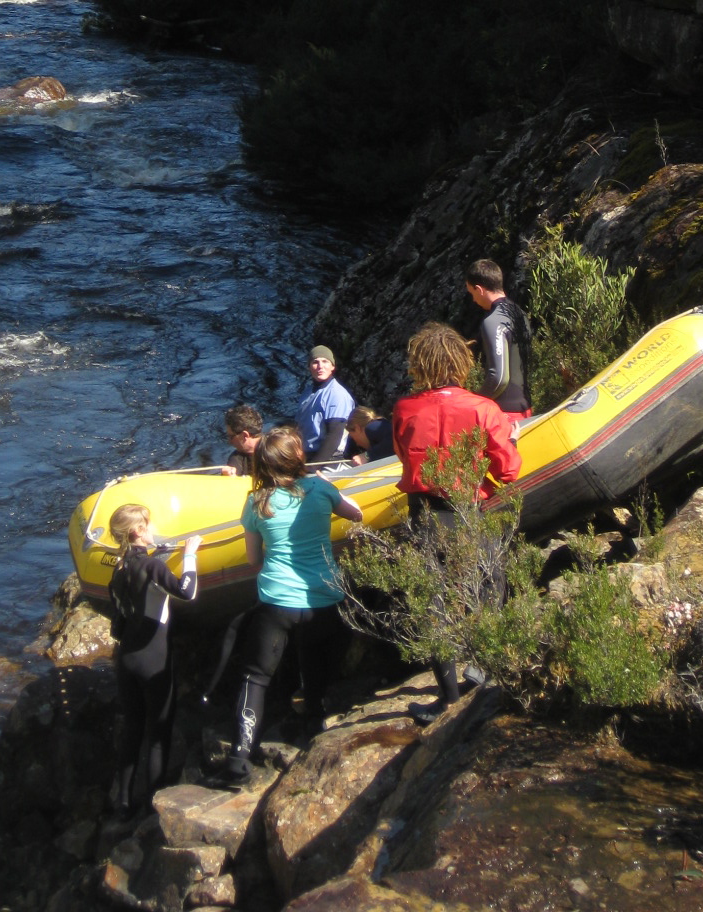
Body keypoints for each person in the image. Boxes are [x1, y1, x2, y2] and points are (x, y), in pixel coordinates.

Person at [215, 427, 362, 786]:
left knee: (255, 676)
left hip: (277, 601)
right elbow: (356, 514)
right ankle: (313, 719)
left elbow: (253, 559)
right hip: (324, 598)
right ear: (297, 458)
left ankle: (240, 756)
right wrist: (327, 484)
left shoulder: (257, 501)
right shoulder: (321, 489)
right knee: (314, 660)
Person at [391, 322, 522, 723]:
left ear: (420, 365)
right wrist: (510, 443)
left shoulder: (404, 409)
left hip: (425, 514)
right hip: (468, 510)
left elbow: (403, 455)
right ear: (462, 362)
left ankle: (447, 697)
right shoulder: (483, 409)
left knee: (432, 600)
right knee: (490, 582)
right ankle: (482, 670)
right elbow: (508, 470)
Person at [107, 503, 200, 818]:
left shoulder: (119, 569)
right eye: (148, 526)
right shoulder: (151, 567)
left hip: (126, 659)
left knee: (133, 729)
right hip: (153, 660)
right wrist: (189, 555)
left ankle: (122, 803)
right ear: (138, 531)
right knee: (159, 732)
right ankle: (153, 806)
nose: (153, 530)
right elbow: (187, 591)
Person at [464, 259, 534, 417]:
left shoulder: (493, 321)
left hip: (505, 413)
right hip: (525, 408)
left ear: (479, 289)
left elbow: (499, 378)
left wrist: (476, 402)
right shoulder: (519, 313)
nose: (474, 300)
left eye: (472, 294)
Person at [294, 345, 356, 463]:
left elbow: (334, 434)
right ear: (309, 367)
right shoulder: (307, 392)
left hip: (328, 458)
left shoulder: (336, 394)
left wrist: (313, 466)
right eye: (315, 362)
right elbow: (298, 427)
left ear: (332, 366)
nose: (320, 366)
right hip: (305, 455)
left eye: (325, 361)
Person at [216, 404, 263, 476]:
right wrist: (226, 475)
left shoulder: (276, 452)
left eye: (231, 436)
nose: (229, 442)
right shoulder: (236, 458)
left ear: (245, 435)